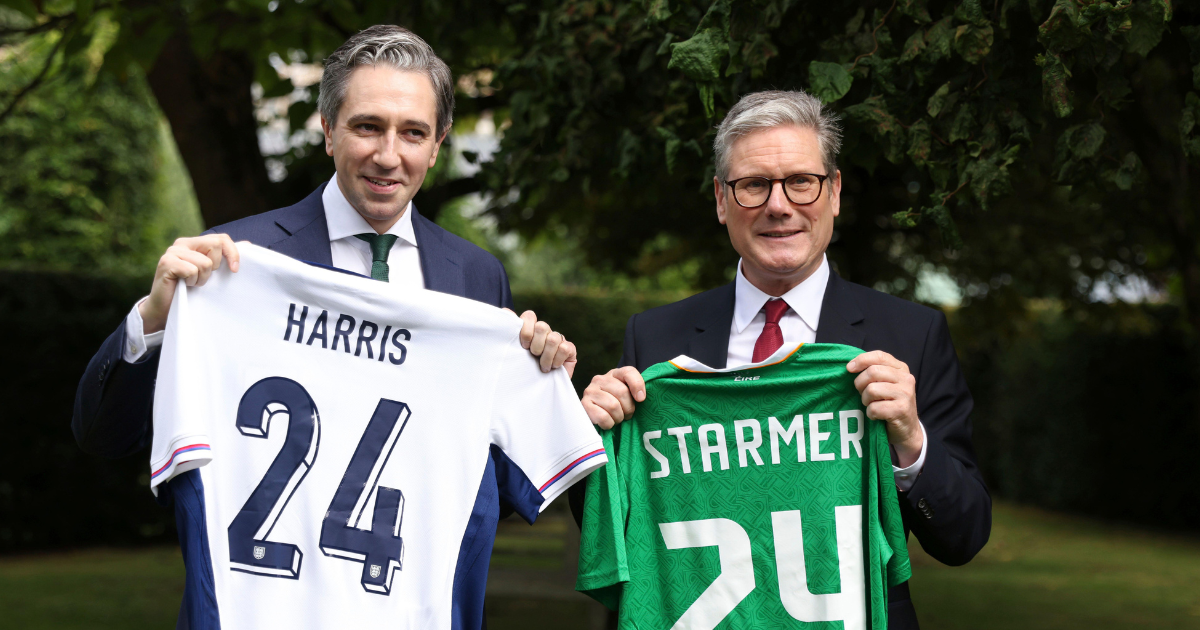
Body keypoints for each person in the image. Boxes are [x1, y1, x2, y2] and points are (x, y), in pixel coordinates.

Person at [576, 90, 990, 629]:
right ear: (722, 201)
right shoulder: (655, 337)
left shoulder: (910, 335)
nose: (779, 205)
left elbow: (964, 537)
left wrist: (911, 443)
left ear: (834, 191)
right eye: (753, 185)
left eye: (801, 181)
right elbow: (620, 525)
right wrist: (592, 444)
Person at [72, 25, 576, 459]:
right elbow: (106, 438)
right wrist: (154, 320)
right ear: (329, 131)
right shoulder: (234, 260)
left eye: (413, 133)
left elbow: (493, 487)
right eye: (368, 127)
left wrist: (547, 391)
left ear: (437, 146)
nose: (387, 155)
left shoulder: (478, 277)